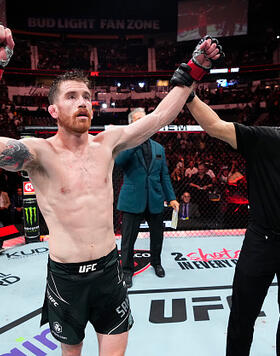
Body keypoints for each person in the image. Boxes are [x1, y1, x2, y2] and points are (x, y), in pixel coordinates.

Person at [0, 25, 223, 356]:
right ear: (53, 110)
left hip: (109, 271)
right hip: (66, 277)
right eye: (71, 97)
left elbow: (161, 116)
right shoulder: (37, 153)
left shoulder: (108, 142)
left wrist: (193, 70)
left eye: (87, 97)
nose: (83, 103)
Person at [185, 43, 280, 354]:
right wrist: (187, 92)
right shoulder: (267, 139)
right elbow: (214, 126)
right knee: (243, 314)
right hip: (262, 239)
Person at [115, 108, 179, 288]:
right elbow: (119, 162)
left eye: (144, 120)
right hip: (133, 200)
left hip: (155, 198)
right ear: (131, 124)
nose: (142, 123)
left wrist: (171, 197)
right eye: (138, 120)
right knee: (128, 239)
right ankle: (126, 270)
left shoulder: (159, 148)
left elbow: (164, 175)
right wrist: (136, 139)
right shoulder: (124, 143)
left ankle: (156, 263)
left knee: (157, 236)